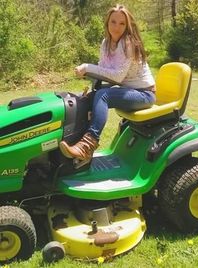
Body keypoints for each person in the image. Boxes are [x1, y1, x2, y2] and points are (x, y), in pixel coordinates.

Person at [59, 4, 156, 162]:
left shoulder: (128, 43)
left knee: (103, 96)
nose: (117, 27)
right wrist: (92, 87)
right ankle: (72, 140)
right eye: (113, 22)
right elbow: (104, 72)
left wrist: (87, 67)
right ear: (107, 23)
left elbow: (117, 77)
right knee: (84, 99)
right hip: (128, 90)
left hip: (145, 94)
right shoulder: (106, 43)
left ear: (127, 26)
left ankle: (87, 145)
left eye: (122, 23)